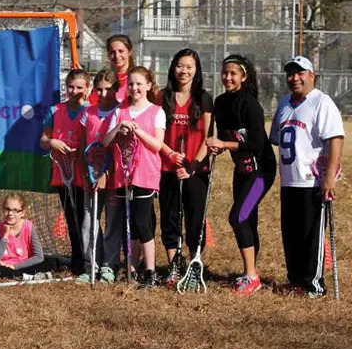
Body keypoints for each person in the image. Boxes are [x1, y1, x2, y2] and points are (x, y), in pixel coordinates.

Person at [269, 56, 344, 298]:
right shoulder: (284, 103)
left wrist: (329, 177)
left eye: (300, 73)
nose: (294, 78)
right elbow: (276, 139)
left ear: (312, 75)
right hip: (290, 180)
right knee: (291, 233)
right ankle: (296, 280)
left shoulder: (321, 102)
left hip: (312, 180)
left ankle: (313, 284)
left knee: (311, 235)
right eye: (290, 74)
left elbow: (335, 138)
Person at [206, 55, 276, 296]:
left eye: (233, 73)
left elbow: (256, 143)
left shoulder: (250, 104)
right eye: (225, 73)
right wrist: (218, 146)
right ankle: (250, 272)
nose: (228, 77)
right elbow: (224, 136)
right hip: (242, 170)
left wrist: (224, 143)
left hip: (261, 171)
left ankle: (252, 276)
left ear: (244, 77)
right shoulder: (221, 102)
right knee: (248, 219)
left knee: (238, 217)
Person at [104, 66, 165, 286]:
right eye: (131, 84)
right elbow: (106, 141)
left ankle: (150, 270)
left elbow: (157, 145)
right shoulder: (120, 111)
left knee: (142, 222)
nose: (135, 87)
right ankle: (131, 266)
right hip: (124, 174)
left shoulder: (157, 111)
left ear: (148, 86)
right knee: (129, 223)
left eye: (139, 83)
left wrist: (138, 131)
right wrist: (119, 127)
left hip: (145, 174)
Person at [158, 49, 213, 287]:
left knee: (194, 219)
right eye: (180, 66)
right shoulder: (163, 97)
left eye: (189, 67)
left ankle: (193, 263)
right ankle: (173, 265)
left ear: (196, 70)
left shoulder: (203, 98)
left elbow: (208, 137)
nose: (184, 71)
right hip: (168, 168)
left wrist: (192, 165)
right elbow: (155, 133)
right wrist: (170, 155)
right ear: (173, 68)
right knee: (170, 217)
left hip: (195, 170)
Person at [40, 68, 89, 274]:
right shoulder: (55, 110)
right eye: (71, 87)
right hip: (63, 172)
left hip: (84, 173)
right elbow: (43, 141)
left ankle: (91, 258)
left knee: (86, 218)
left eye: (79, 87)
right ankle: (77, 258)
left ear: (87, 89)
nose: (74, 91)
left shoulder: (90, 110)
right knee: (71, 217)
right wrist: (53, 142)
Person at [79, 69, 122, 283]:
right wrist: (87, 174)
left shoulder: (120, 113)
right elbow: (82, 146)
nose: (103, 94)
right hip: (91, 177)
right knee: (89, 222)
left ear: (116, 90)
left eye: (108, 89)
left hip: (113, 178)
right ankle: (91, 264)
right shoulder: (89, 113)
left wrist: (106, 173)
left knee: (113, 222)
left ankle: (110, 264)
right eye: (99, 90)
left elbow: (118, 149)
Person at [0, 193, 57, 278]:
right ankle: (25, 277)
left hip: (24, 264)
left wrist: (15, 266)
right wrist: (5, 236)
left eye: (15, 210)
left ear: (22, 213)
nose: (10, 213)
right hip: (4, 266)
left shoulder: (29, 227)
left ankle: (20, 274)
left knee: (49, 261)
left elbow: (39, 257)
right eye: (7, 209)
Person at [88, 34, 133, 105]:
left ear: (129, 52)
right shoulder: (103, 78)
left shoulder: (137, 77)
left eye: (121, 51)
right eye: (112, 52)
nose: (117, 56)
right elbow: (93, 104)